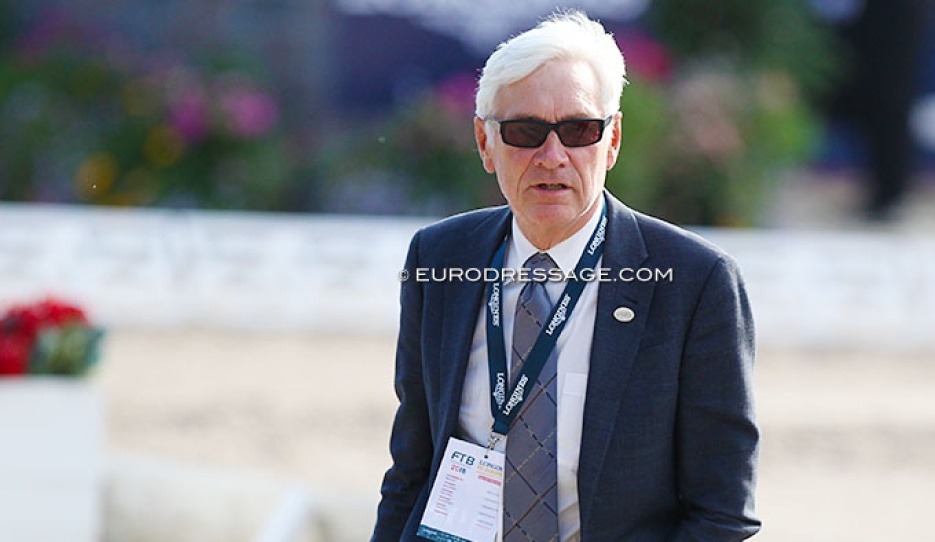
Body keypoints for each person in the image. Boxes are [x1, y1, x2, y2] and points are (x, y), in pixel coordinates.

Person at [372, 10, 760, 542]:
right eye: (525, 131)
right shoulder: (438, 260)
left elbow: (721, 514)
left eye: (579, 130)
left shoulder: (697, 283)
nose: (552, 157)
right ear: (486, 144)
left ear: (613, 140)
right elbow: (411, 474)